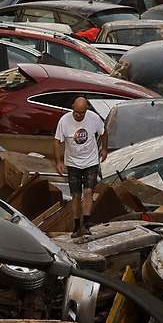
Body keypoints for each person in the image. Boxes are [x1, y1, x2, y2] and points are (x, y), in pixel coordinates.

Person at [54, 97, 107, 238]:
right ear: (72, 107)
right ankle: (77, 225)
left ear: (86, 110)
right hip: (73, 163)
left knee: (88, 191)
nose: (78, 115)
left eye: (82, 113)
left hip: (90, 161)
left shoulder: (94, 118)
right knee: (76, 195)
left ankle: (87, 222)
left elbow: (103, 132)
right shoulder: (64, 121)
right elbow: (58, 141)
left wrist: (104, 149)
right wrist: (59, 161)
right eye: (76, 112)